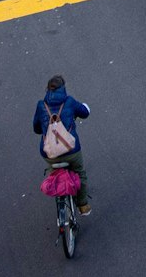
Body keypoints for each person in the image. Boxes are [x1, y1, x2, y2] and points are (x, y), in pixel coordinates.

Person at [32, 75, 92, 215]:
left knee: (54, 172)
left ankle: (56, 185)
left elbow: (36, 129)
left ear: (47, 89)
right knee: (80, 173)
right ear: (63, 88)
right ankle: (82, 205)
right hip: (72, 151)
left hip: (50, 153)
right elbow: (85, 113)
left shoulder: (41, 105)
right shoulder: (69, 101)